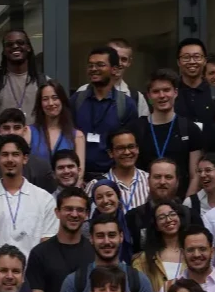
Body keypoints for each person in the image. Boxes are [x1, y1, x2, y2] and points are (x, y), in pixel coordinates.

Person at [57, 214, 158, 292]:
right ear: (91, 239)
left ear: (121, 237)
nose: (106, 241)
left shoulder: (138, 280)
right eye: (100, 236)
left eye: (112, 235)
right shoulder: (74, 281)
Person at [0, 135, 58, 257]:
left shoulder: (45, 200)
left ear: (25, 159)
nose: (10, 159)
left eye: (15, 154)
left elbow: (48, 244)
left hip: (32, 273)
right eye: (5, 155)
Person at [71, 47, 140, 181]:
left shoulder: (126, 104)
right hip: (79, 177)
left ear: (114, 69)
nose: (94, 69)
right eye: (90, 65)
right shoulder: (76, 100)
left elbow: (130, 146)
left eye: (100, 65)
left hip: (113, 178)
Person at [130, 69, 201, 191]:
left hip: (179, 203)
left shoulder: (190, 129)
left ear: (175, 92)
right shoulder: (136, 128)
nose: (162, 96)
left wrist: (187, 204)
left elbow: (195, 176)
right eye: (156, 91)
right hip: (144, 201)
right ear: (149, 96)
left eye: (166, 90)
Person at [0, 109, 58, 195]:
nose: (11, 132)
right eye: (6, 128)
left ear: (25, 130)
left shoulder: (42, 167)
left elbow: (50, 203)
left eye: (17, 128)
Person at [0, 29, 47, 119]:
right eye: (9, 44)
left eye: (20, 42)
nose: (15, 46)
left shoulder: (43, 82)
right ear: (4, 51)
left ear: (28, 48)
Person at [132, 201, 189, 292]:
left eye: (172, 214)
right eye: (162, 217)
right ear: (156, 225)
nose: (169, 219)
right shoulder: (143, 260)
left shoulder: (191, 252)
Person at [125, 158, 183, 251]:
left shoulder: (189, 216)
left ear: (177, 181)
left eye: (168, 177)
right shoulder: (132, 217)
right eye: (157, 177)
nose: (162, 182)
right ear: (148, 180)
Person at [30, 82, 85, 177]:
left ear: (62, 100)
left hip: (67, 190)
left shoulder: (77, 136)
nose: (50, 103)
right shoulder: (28, 132)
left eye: (55, 98)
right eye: (45, 99)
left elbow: (79, 174)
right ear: (40, 103)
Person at [173, 37, 215, 130]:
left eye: (197, 57)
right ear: (178, 62)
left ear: (204, 61)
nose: (192, 62)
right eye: (186, 57)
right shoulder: (171, 92)